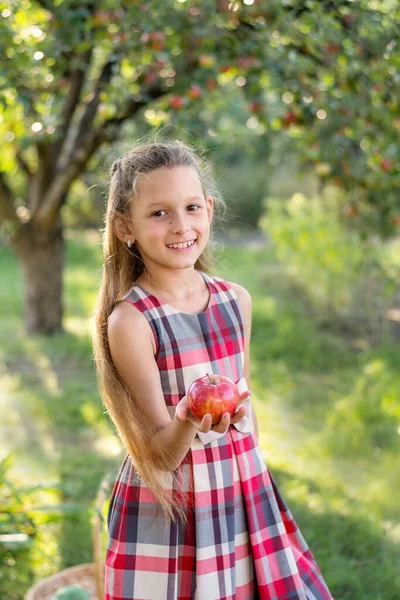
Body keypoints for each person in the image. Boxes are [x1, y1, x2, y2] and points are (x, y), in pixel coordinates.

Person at [92, 140, 333, 600]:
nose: (181, 225)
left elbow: (246, 403)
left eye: (192, 207)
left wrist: (248, 447)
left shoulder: (234, 300)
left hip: (237, 486)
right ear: (126, 227)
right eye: (159, 213)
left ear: (209, 210)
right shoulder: (133, 321)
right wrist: (187, 417)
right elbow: (160, 456)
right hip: (174, 505)